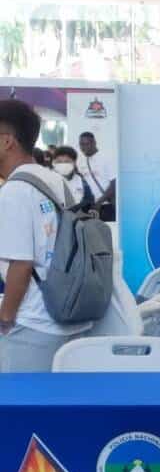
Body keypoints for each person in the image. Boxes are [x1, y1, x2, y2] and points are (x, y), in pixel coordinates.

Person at [0, 100, 93, 372]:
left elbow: (21, 264)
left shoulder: (14, 191)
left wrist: (5, 318)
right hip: (69, 313)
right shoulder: (54, 180)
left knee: (19, 399)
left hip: (32, 324)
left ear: (6, 142)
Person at [77, 131, 116, 220]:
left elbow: (115, 184)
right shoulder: (81, 162)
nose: (84, 147)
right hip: (89, 207)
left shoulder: (106, 158)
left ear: (94, 143)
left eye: (87, 144)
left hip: (106, 206)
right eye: (81, 144)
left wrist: (99, 202)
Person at [50, 146, 96, 210]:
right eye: (59, 162)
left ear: (74, 162)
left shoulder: (81, 181)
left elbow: (89, 200)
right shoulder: (48, 180)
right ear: (54, 163)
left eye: (67, 161)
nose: (63, 165)